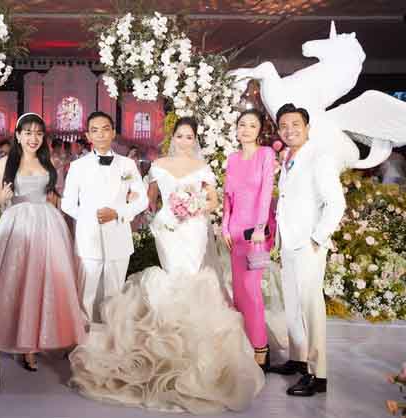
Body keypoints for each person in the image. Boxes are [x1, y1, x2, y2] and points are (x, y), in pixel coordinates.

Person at [69, 117, 264, 414]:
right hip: (167, 227)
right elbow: (148, 200)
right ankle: (160, 347)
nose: (185, 141)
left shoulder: (202, 167)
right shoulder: (159, 166)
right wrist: (138, 205)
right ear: (174, 137)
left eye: (189, 136)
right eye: (180, 135)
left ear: (195, 139)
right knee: (171, 278)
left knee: (192, 279)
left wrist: (195, 205)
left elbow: (213, 201)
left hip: (194, 227)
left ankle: (193, 349)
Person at [0, 113, 86, 391]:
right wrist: (0, 199)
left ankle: (29, 346)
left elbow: (54, 196)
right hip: (17, 225)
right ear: (18, 135)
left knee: (39, 286)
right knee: (7, 288)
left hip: (47, 226)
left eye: (38, 134)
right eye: (28, 133)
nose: (34, 138)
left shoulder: (49, 161)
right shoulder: (6, 161)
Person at [269, 103, 346, 396]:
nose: (289, 130)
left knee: (311, 307)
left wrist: (317, 238)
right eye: (283, 126)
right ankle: (298, 358)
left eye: (295, 125)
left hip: (308, 244)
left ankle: (318, 374)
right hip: (289, 242)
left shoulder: (320, 157)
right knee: (292, 304)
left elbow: (336, 203)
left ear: (307, 128)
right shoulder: (288, 157)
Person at [61, 111, 148, 323]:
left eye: (105, 129)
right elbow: (67, 204)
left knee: (115, 294)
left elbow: (142, 200)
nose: (100, 134)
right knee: (86, 294)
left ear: (113, 133)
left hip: (118, 237)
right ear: (88, 135)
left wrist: (118, 213)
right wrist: (92, 217)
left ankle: (112, 334)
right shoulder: (78, 166)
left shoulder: (127, 165)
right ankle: (85, 335)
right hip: (88, 240)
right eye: (95, 130)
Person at [222, 109, 276, 371]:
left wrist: (260, 227)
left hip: (256, 234)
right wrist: (224, 227)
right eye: (242, 124)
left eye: (252, 125)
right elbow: (227, 197)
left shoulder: (266, 154)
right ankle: (245, 343)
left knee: (252, 290)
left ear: (259, 130)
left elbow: (266, 192)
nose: (246, 129)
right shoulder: (232, 158)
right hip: (235, 232)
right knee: (239, 292)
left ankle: (261, 348)